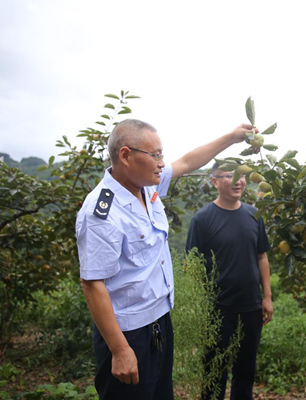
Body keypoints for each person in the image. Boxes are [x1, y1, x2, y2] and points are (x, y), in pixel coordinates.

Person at [76, 118, 254, 400]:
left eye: (162, 155)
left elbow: (187, 161)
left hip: (159, 321)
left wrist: (231, 138)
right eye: (155, 155)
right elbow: (92, 284)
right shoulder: (102, 213)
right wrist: (120, 350)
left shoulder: (147, 186)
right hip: (128, 333)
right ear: (126, 155)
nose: (162, 162)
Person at [185, 162, 273, 400]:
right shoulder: (202, 220)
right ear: (214, 182)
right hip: (217, 309)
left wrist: (267, 296)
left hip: (251, 306)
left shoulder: (254, 215)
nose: (239, 181)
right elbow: (191, 266)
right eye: (230, 176)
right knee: (214, 370)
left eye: (242, 176)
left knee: (246, 370)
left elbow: (262, 256)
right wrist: (200, 307)